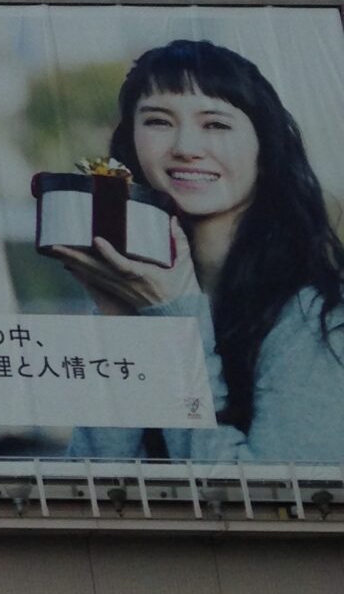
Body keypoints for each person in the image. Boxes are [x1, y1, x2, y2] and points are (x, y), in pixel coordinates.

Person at [52, 39, 344, 462]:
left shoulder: (315, 316)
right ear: (131, 144)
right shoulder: (140, 291)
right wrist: (119, 324)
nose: (186, 147)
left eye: (216, 125)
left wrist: (176, 323)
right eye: (158, 121)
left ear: (265, 150)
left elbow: (258, 497)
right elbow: (94, 484)